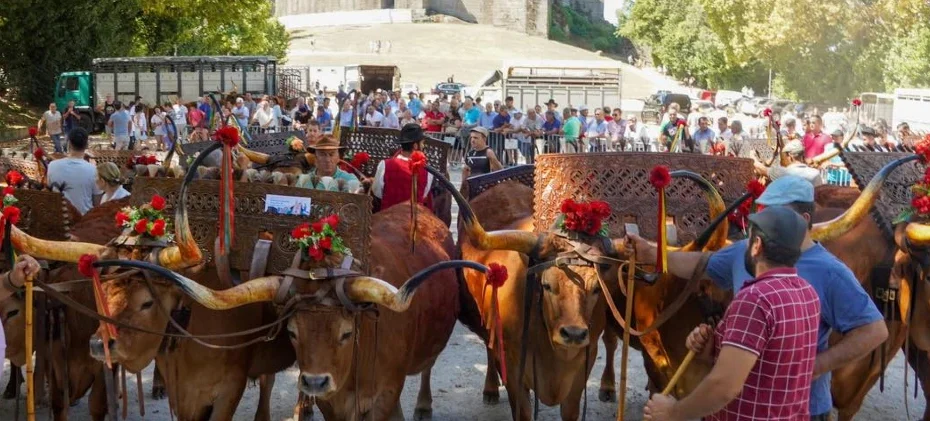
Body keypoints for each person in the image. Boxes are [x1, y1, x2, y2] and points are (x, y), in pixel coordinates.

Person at [630, 176, 888, 421]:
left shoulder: (827, 273)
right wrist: (652, 253)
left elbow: (874, 331)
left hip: (799, 406)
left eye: (772, 216)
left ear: (803, 218)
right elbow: (702, 264)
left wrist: (814, 366)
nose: (761, 224)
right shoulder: (797, 284)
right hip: (757, 404)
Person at [644, 206, 821, 421]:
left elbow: (725, 385)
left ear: (756, 246)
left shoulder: (754, 299)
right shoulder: (807, 292)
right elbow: (769, 362)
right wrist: (714, 349)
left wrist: (674, 412)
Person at [371, 123, 435, 212]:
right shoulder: (427, 171)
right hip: (414, 219)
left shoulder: (384, 165)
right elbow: (424, 195)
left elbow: (377, 193)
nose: (423, 146)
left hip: (388, 216)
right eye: (422, 143)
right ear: (415, 145)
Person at [47, 128, 102, 215]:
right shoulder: (93, 170)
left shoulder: (52, 166)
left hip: (59, 218)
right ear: (87, 145)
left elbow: (50, 192)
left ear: (69, 144)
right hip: (84, 221)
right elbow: (97, 203)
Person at [295, 135, 360, 192]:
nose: (327, 159)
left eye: (331, 154)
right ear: (315, 158)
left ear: (338, 157)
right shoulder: (304, 181)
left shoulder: (349, 180)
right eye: (322, 154)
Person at [752, 140, 823, 186]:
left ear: (790, 156)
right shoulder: (815, 173)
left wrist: (752, 156)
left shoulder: (783, 172)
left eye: (784, 156)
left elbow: (761, 169)